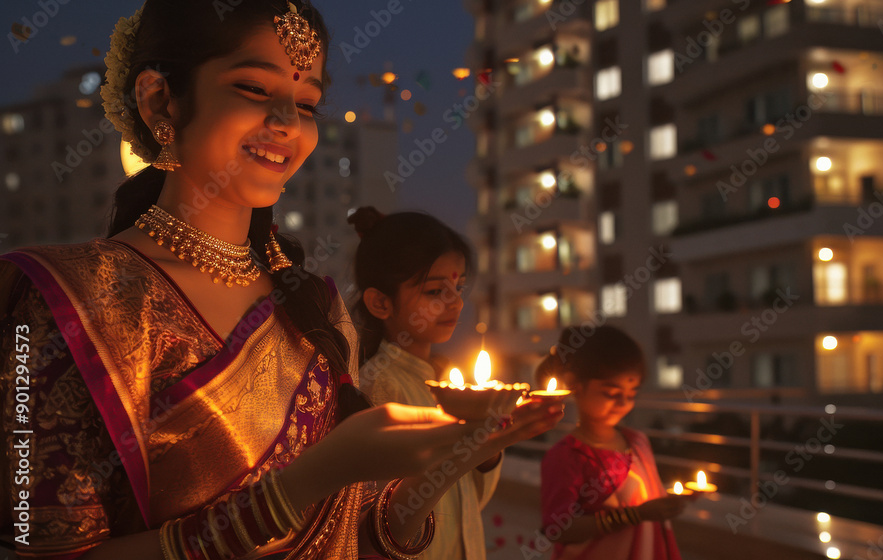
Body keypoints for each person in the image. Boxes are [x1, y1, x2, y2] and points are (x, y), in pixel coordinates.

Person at [0, 1, 562, 558]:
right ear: (160, 100)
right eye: (252, 89)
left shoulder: (313, 305)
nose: (288, 124)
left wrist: (460, 452)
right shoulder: (63, 299)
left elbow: (360, 534)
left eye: (308, 103)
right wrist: (300, 485)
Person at [349, 207, 499, 560]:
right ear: (380, 302)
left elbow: (466, 502)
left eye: (458, 286)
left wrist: (490, 452)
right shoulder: (381, 387)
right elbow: (390, 519)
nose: (456, 301)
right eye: (435, 291)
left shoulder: (446, 383)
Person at [538, 326, 690, 560]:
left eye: (631, 394)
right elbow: (558, 528)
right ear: (575, 385)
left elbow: (645, 496)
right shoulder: (566, 456)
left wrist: (673, 501)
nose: (623, 403)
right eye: (611, 393)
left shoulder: (637, 442)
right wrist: (635, 516)